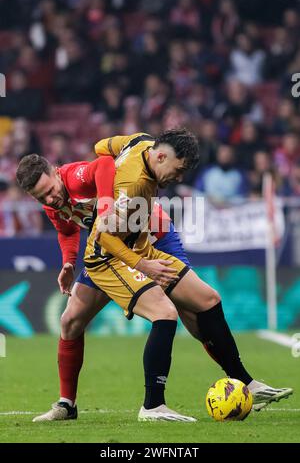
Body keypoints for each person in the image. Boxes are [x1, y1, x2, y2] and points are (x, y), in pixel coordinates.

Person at [86, 130, 293, 421]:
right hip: (109, 258)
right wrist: (143, 266)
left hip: (140, 247)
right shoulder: (133, 185)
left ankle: (245, 382)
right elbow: (107, 238)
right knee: (165, 314)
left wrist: (108, 181)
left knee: (208, 299)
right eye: (178, 170)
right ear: (161, 157)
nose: (179, 178)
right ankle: (152, 406)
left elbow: (100, 146)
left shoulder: (139, 141)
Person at [16, 148, 192, 422]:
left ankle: (235, 378)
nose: (50, 198)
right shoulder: (52, 205)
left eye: (49, 189)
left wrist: (107, 202)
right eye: (41, 197)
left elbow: (104, 163)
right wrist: (68, 263)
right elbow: (67, 231)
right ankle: (67, 405)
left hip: (149, 235)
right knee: (70, 321)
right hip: (109, 252)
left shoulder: (73, 177)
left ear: (55, 172)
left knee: (193, 307)